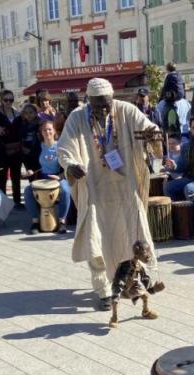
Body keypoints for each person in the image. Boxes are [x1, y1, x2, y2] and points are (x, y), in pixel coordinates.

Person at [57, 78, 161, 311]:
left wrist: (154, 135)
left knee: (135, 231)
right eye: (98, 105)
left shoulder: (125, 110)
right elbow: (65, 147)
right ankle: (104, 289)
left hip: (126, 185)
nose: (104, 109)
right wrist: (70, 164)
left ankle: (137, 279)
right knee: (95, 237)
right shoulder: (77, 117)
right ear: (88, 100)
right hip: (93, 186)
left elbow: (147, 127)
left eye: (107, 103)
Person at [24, 121, 69, 234]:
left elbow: (67, 164)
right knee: (28, 191)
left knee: (66, 190)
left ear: (54, 131)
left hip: (58, 177)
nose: (47, 132)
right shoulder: (37, 146)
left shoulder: (61, 146)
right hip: (42, 178)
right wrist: (30, 170)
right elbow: (31, 162)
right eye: (44, 130)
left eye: (49, 129)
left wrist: (61, 176)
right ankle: (35, 221)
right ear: (41, 132)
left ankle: (62, 221)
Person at [0, 90, 23, 206]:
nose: (9, 102)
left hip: (15, 148)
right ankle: (2, 202)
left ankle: (17, 201)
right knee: (2, 177)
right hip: (2, 148)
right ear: (1, 100)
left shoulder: (17, 113)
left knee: (16, 176)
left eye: (11, 100)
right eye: (6, 100)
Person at [14, 104, 42, 178]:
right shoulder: (22, 125)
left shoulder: (40, 124)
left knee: (39, 176)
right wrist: (22, 148)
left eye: (31, 112)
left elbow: (40, 141)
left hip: (38, 154)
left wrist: (31, 150)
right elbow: (20, 138)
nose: (28, 115)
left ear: (35, 113)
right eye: (26, 113)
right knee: (31, 176)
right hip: (26, 155)